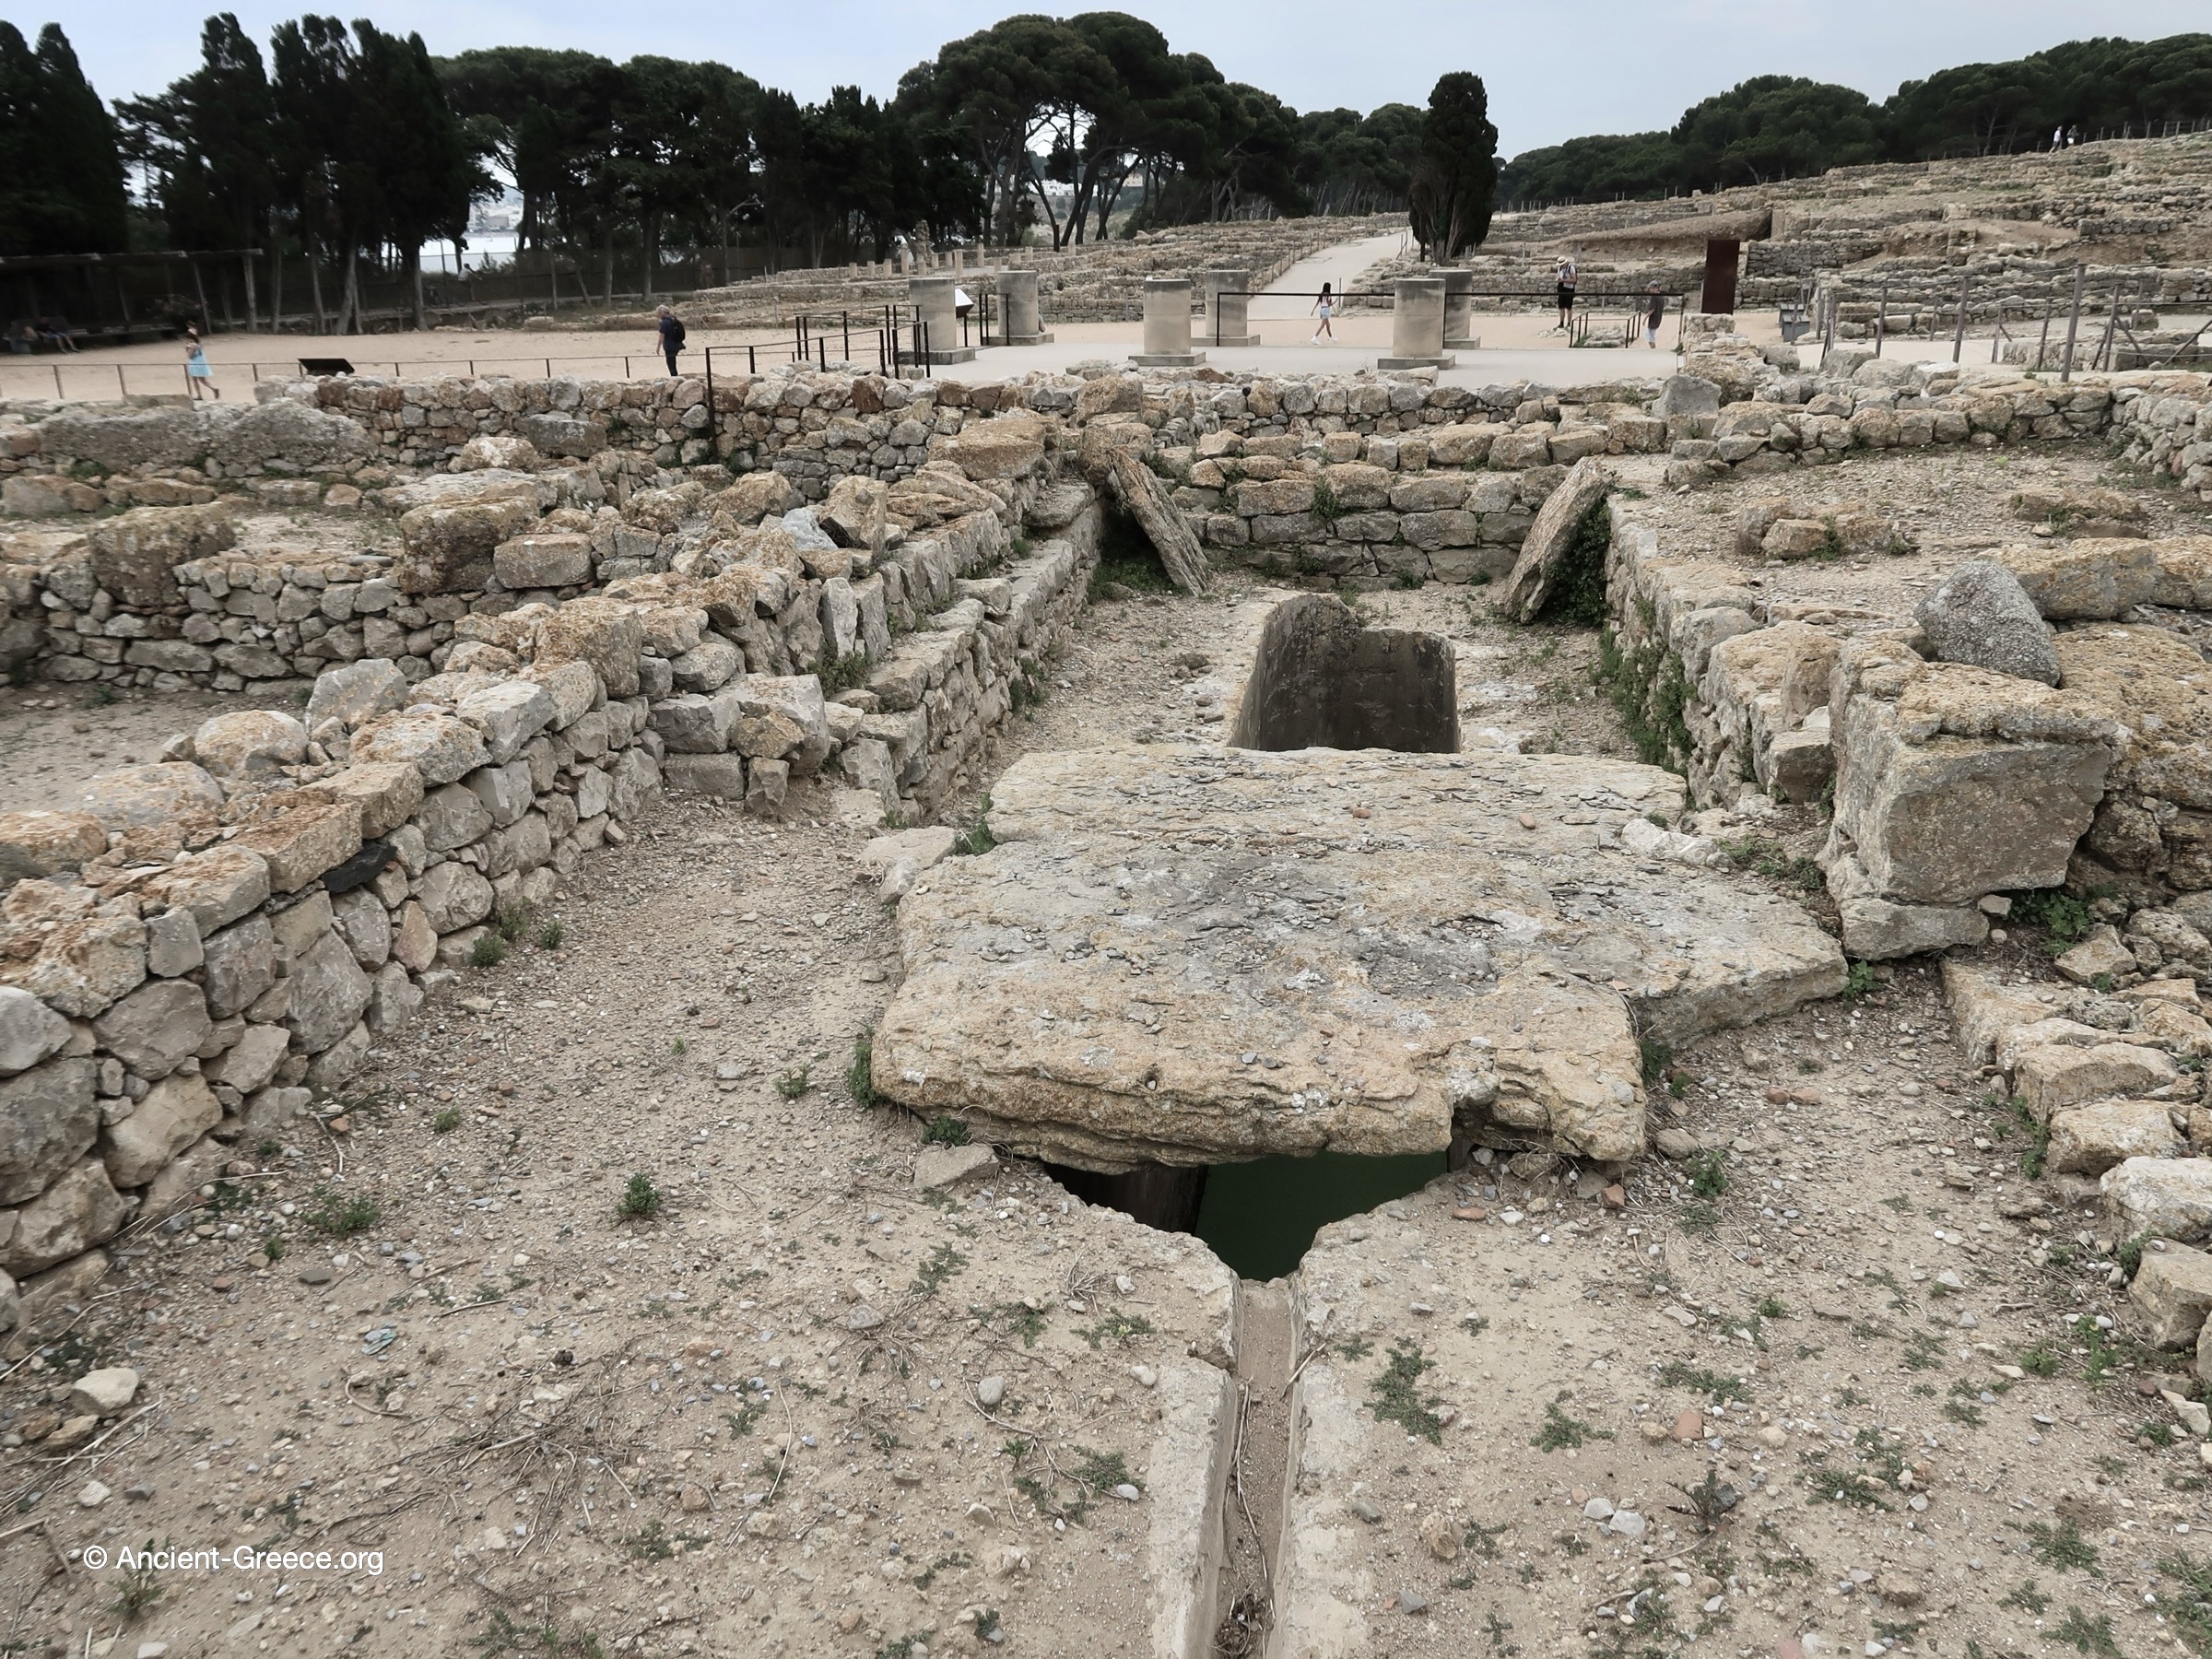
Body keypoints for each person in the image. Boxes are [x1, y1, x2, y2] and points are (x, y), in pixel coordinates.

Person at [183, 324, 218, 399]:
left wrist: (187, 349)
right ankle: (213, 389)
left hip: (195, 363)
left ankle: (199, 395)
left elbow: (190, 356)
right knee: (202, 380)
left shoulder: (193, 345)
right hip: (200, 362)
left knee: (195, 380)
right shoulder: (199, 344)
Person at [655, 304, 687, 377]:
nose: (658, 315)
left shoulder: (665, 322)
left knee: (671, 364)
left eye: (659, 313)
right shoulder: (673, 318)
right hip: (677, 344)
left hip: (670, 345)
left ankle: (674, 378)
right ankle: (675, 376)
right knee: (673, 363)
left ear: (663, 312)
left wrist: (658, 347)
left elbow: (662, 336)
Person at [1555, 258, 1578, 332]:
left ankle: (1568, 323)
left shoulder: (1571, 268)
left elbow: (1574, 279)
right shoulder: (1560, 269)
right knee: (1561, 306)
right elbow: (1558, 276)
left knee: (1569, 307)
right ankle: (1561, 323)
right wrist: (1558, 280)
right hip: (1561, 288)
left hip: (1569, 288)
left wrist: (1564, 280)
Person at [1310, 281, 1335, 345]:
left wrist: (1313, 310)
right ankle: (1315, 338)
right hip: (1326, 310)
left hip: (1322, 309)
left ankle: (1331, 337)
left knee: (1328, 325)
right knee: (1322, 325)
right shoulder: (1328, 295)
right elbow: (1328, 304)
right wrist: (1332, 303)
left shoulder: (1321, 295)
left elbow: (1317, 303)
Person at [1644, 282, 1666, 349]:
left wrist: (1645, 318)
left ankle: (1653, 350)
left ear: (1655, 289)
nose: (1650, 290)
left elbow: (1652, 309)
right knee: (1650, 335)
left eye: (1651, 289)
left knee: (1650, 338)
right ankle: (1653, 349)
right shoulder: (1661, 297)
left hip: (1654, 319)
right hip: (1658, 318)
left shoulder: (1654, 297)